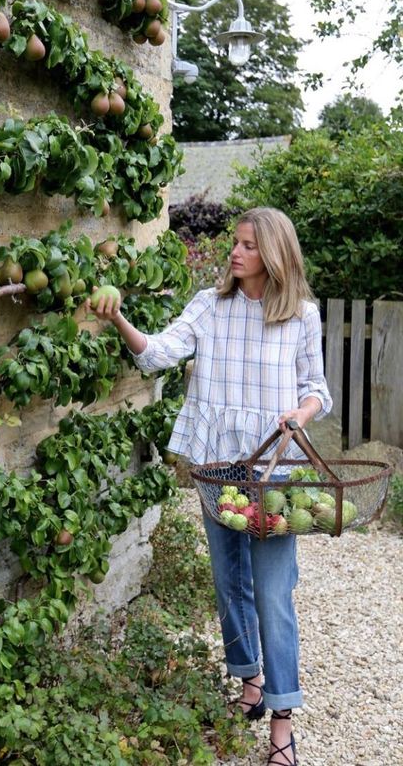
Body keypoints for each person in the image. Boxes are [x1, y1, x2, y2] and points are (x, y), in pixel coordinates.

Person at [90, 207, 332, 766]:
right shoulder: (208, 305)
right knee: (230, 584)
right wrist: (120, 319)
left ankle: (282, 720)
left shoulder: (302, 315)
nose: (235, 252)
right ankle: (247, 680)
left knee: (273, 593)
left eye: (248, 245)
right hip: (217, 467)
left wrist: (301, 411)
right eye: (235, 243)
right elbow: (154, 355)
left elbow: (316, 387)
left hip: (274, 471)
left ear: (274, 254)